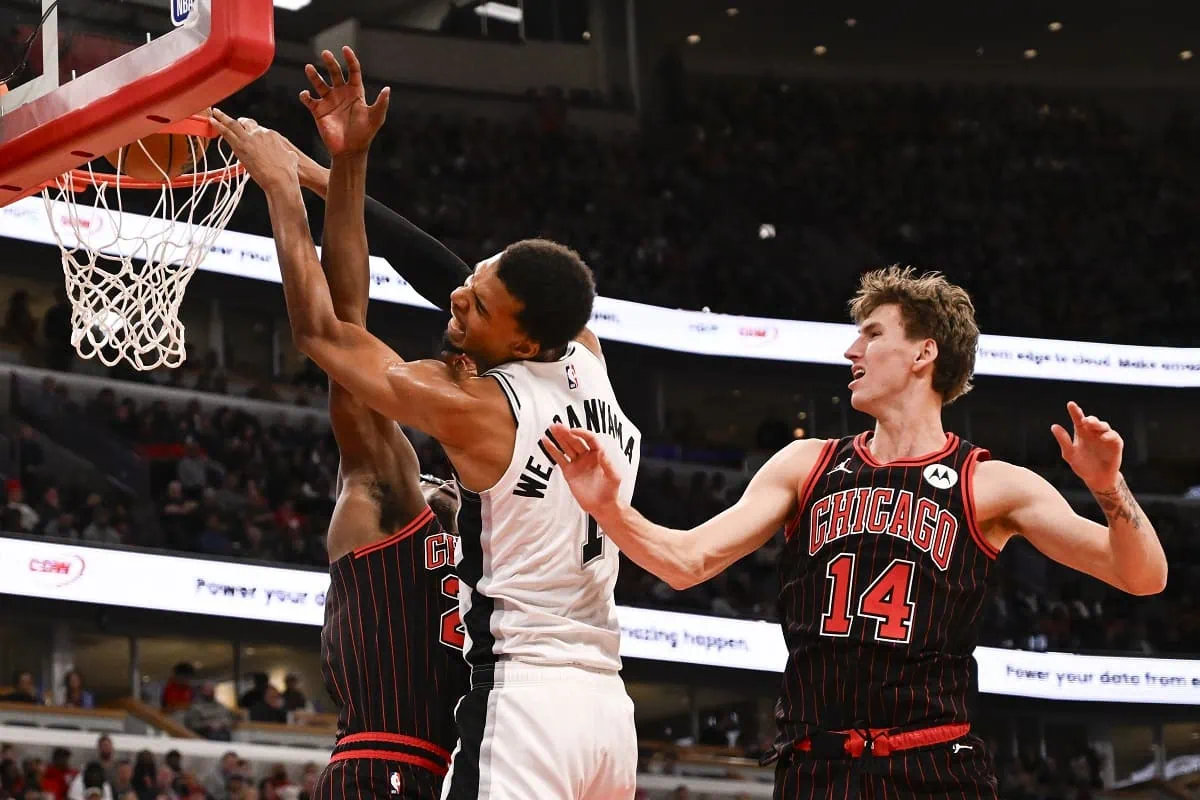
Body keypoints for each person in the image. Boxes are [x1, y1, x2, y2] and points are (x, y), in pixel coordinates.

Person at [541, 267, 1168, 798]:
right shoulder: (804, 463)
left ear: (924, 353)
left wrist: (1109, 489)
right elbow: (686, 562)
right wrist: (609, 509)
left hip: (933, 767)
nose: (851, 351)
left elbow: (1142, 576)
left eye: (872, 335)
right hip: (816, 767)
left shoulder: (994, 483)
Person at [211, 45, 640, 800]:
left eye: (477, 306)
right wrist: (336, 172)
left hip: (513, 717)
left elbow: (331, 329)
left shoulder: (473, 421)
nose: (457, 303)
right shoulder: (583, 357)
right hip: (568, 710)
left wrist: (286, 188)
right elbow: (438, 286)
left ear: (521, 344)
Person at [216, 50, 476, 799]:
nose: (432, 475)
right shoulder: (388, 490)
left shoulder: (497, 515)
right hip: (385, 768)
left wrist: (347, 163)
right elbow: (343, 322)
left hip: (469, 769)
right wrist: (300, 184)